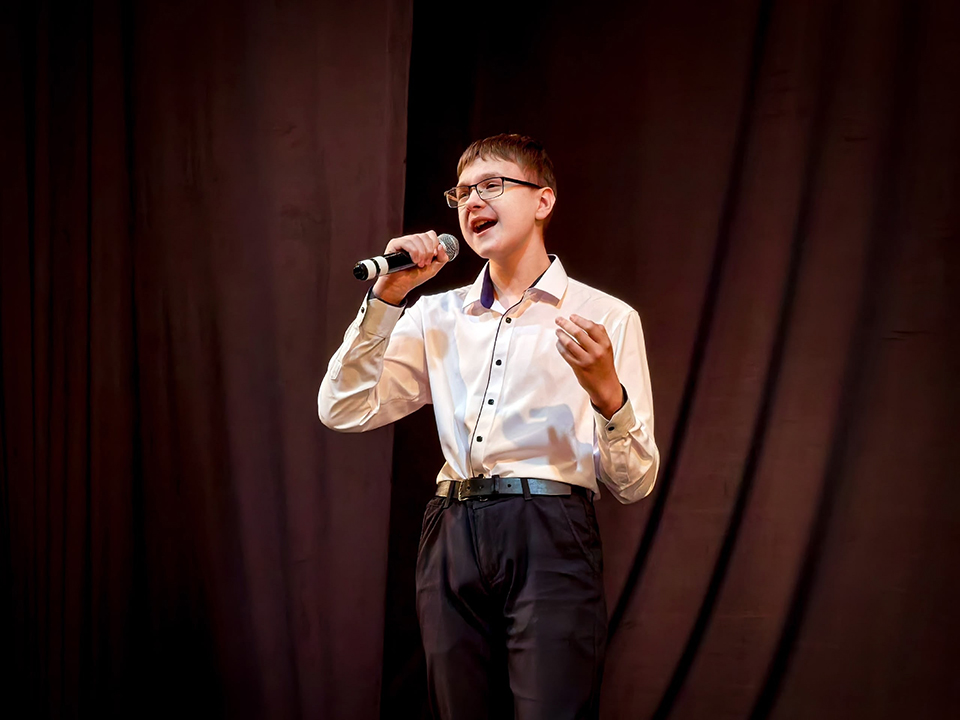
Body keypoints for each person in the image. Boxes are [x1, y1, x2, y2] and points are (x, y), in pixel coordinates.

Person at [318, 134, 659, 719]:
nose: (473, 201)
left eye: (492, 186)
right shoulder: (435, 315)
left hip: (549, 529)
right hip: (452, 528)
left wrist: (608, 393)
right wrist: (386, 298)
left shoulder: (605, 317)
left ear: (543, 200)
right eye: (462, 192)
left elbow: (634, 482)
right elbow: (343, 408)